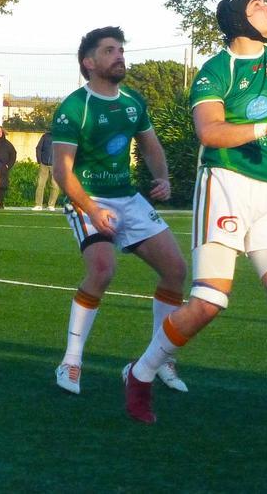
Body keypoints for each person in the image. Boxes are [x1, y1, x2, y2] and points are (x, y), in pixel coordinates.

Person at [124, 0, 267, 430]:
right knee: (209, 301)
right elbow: (209, 132)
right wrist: (264, 127)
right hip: (225, 185)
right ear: (239, 20)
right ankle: (140, 373)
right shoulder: (215, 70)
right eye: (259, 6)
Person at [50, 26, 190, 396]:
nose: (119, 56)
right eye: (110, 50)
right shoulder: (74, 107)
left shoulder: (133, 102)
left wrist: (162, 178)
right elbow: (62, 171)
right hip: (88, 198)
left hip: (128, 198)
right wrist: (93, 210)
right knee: (102, 269)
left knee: (175, 271)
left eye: (121, 50)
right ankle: (71, 361)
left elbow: (151, 146)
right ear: (89, 62)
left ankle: (157, 362)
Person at [33, 129, 60, 210]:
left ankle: (51, 205)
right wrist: (39, 160)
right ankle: (38, 205)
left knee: (55, 186)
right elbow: (38, 148)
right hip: (43, 164)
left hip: (55, 165)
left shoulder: (61, 137)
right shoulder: (45, 136)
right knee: (40, 184)